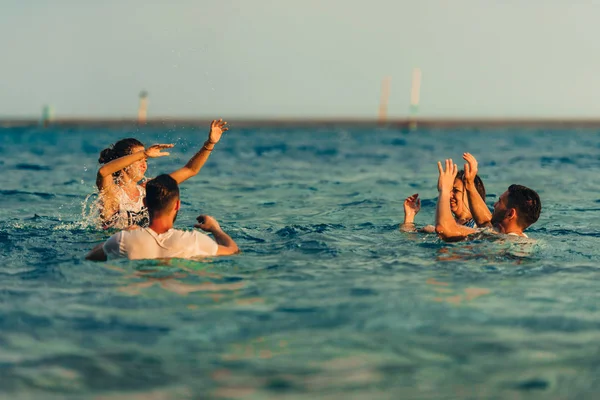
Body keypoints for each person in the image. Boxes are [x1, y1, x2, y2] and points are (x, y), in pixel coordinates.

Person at [96, 119, 228, 229]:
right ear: (124, 162)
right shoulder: (111, 194)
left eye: (146, 160)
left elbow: (190, 170)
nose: (144, 164)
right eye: (139, 160)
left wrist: (209, 144)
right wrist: (144, 153)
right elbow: (104, 171)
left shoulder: (147, 188)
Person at [86, 174, 239, 261]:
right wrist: (215, 229)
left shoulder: (123, 241)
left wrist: (123, 232)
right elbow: (233, 250)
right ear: (177, 205)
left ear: (145, 203)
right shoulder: (194, 241)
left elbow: (91, 256)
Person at [434, 158, 541, 241]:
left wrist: (444, 190)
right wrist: (469, 183)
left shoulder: (501, 241)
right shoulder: (503, 234)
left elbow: (444, 229)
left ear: (510, 214)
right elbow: (484, 222)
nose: (494, 205)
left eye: (500, 202)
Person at [401, 170, 486, 232]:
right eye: (449, 190)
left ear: (471, 195)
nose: (449, 195)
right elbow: (408, 238)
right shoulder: (449, 221)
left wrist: (435, 231)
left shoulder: (478, 226)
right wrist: (409, 216)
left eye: (456, 191)